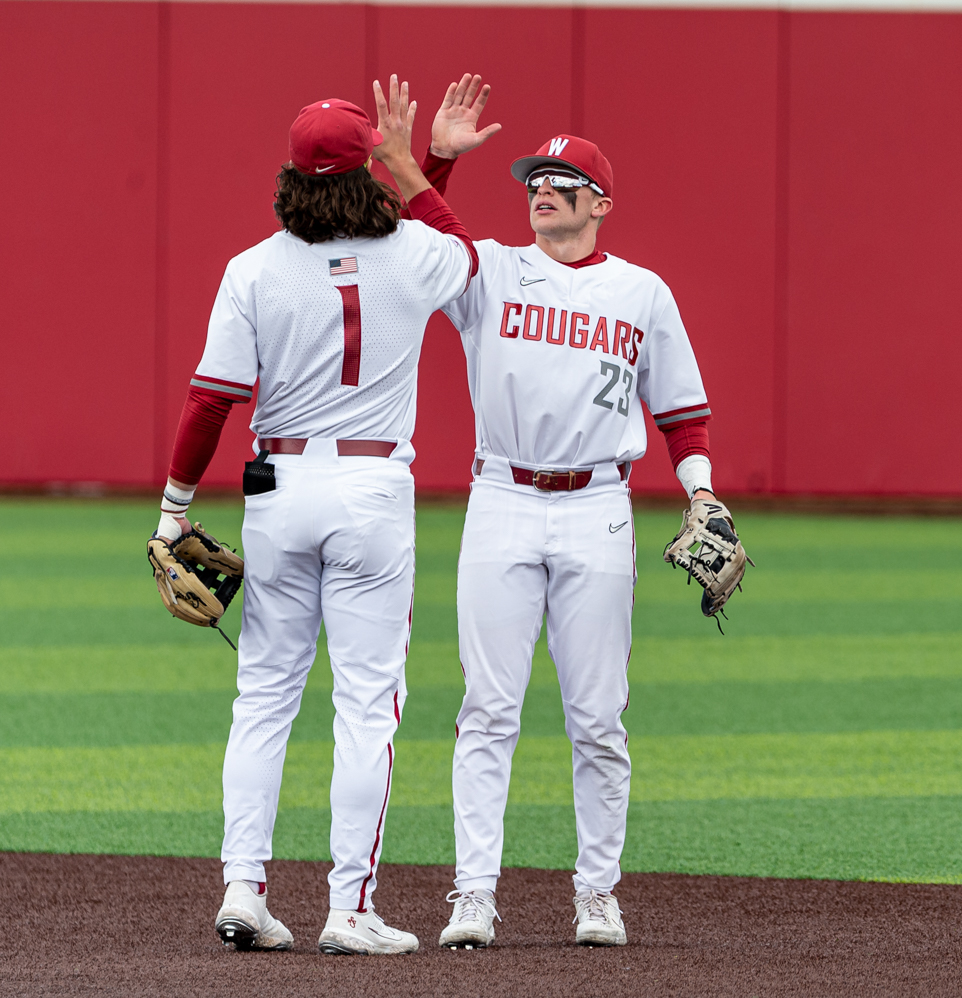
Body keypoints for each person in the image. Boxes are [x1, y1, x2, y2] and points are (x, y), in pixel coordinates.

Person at [152, 75, 493, 955]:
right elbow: (454, 251)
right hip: (372, 495)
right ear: (371, 174)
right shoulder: (412, 252)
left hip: (278, 490)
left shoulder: (252, 268)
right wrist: (426, 163)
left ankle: (244, 890)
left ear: (290, 180)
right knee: (366, 705)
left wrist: (171, 513)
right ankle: (349, 908)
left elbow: (209, 401)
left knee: (263, 696)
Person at [411, 121, 723, 950]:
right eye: (532, 180)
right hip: (502, 496)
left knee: (597, 717)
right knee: (487, 709)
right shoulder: (491, 270)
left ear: (601, 202)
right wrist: (436, 153)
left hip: (598, 508)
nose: (540, 190)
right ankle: (473, 893)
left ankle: (597, 893)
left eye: (560, 180)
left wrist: (702, 498)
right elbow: (415, 232)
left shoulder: (642, 292)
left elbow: (682, 412)